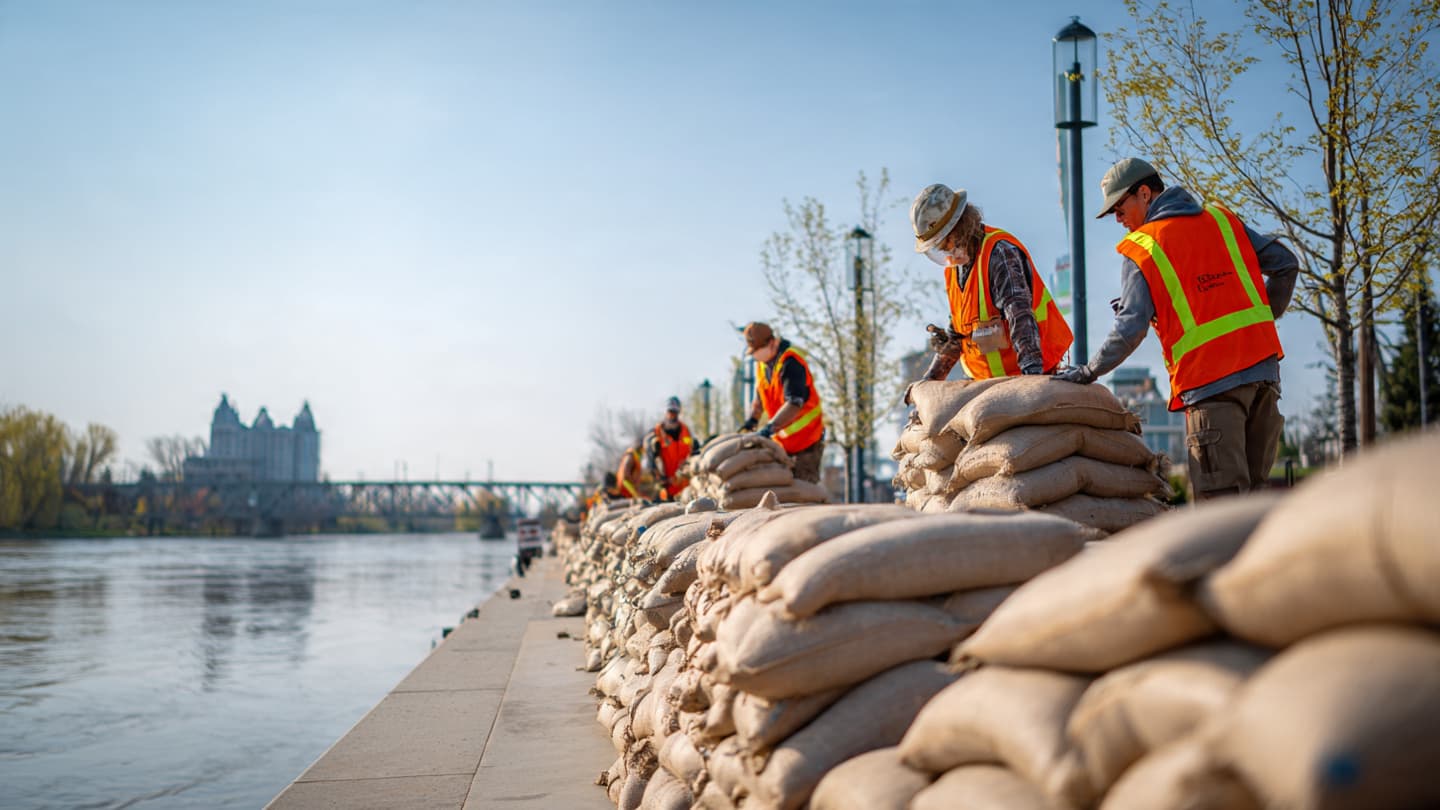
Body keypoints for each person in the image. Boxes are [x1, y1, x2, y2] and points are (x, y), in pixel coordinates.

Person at [1055, 157, 1298, 502]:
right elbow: (1287, 265)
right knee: (1254, 509)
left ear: (1144, 193)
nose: (1119, 220)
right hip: (1264, 380)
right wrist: (1260, 321)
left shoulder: (1143, 247)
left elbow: (1129, 329)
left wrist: (1089, 371)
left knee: (1221, 514)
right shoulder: (1222, 220)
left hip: (1213, 391)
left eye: (1120, 209)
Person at [909, 183, 1073, 381]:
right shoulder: (954, 270)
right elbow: (957, 335)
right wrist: (929, 381)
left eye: (945, 243)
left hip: (1026, 374)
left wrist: (1032, 380)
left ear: (960, 227)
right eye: (939, 248)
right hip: (986, 384)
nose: (945, 252)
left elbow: (1019, 317)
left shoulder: (1000, 253)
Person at [739, 322, 826, 483]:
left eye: (757, 351)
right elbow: (760, 397)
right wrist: (752, 420)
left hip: (807, 441)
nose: (755, 356)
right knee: (783, 493)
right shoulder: (762, 366)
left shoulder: (791, 362)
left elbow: (794, 403)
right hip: (783, 444)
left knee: (803, 491)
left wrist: (769, 428)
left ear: (771, 343)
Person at [645, 396, 698, 500]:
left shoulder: (685, 430)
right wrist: (659, 479)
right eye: (670, 412)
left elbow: (693, 453)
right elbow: (650, 463)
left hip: (687, 489)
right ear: (666, 412)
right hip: (667, 491)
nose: (672, 415)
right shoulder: (656, 433)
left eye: (675, 412)